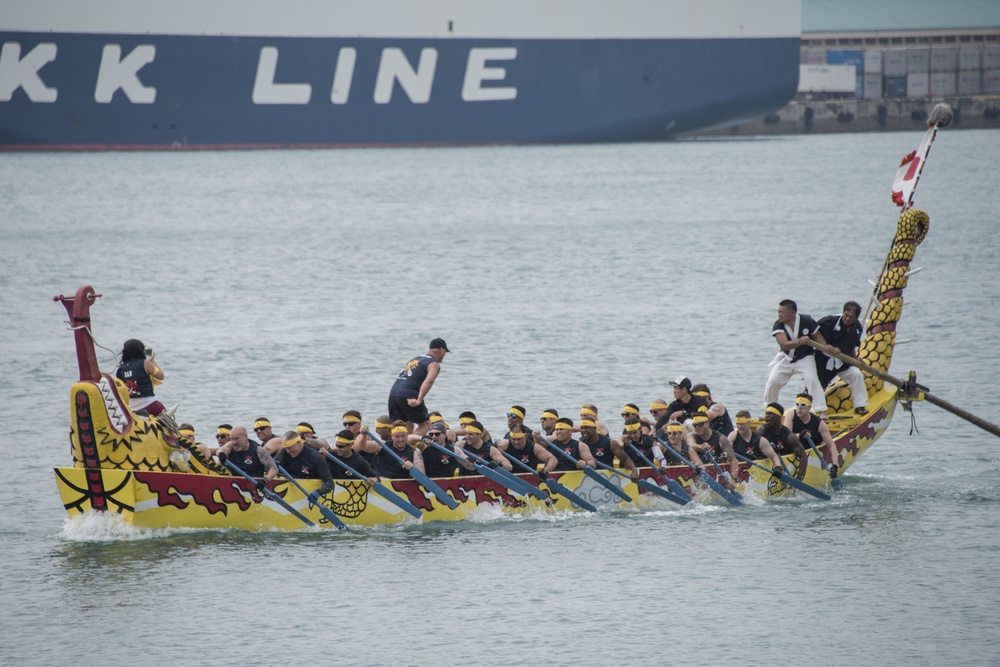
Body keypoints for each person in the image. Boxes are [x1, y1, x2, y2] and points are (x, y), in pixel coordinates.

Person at [765, 299, 829, 416]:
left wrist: (825, 348)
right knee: (773, 382)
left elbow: (817, 335)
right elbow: (784, 344)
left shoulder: (806, 320)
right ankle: (771, 410)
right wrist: (799, 341)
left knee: (811, 379)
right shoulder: (778, 324)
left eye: (782, 312)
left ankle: (821, 410)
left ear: (792, 313)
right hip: (786, 358)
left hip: (805, 357)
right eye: (778, 311)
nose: (779, 315)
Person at [815, 300, 869, 415]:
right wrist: (826, 346)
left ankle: (860, 406)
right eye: (846, 315)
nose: (848, 319)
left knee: (856, 375)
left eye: (851, 317)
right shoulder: (829, 321)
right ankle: (809, 410)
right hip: (823, 360)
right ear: (843, 312)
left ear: (856, 318)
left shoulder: (857, 328)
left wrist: (856, 358)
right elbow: (814, 333)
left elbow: (851, 345)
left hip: (842, 360)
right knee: (816, 385)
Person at [387, 338, 450, 435]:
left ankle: (398, 447)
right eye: (445, 352)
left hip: (393, 394)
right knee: (425, 425)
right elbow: (428, 381)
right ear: (442, 350)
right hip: (409, 395)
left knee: (405, 425)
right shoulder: (434, 364)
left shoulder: (416, 359)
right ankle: (405, 444)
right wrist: (419, 399)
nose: (444, 356)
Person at [783, 392, 842, 477]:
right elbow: (786, 437)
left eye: (803, 405)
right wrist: (799, 435)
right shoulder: (791, 414)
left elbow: (831, 445)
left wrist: (835, 466)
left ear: (809, 408)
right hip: (794, 449)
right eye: (797, 405)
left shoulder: (819, 423)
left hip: (811, 449)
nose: (799, 408)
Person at [273, 431, 337, 504]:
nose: (287, 452)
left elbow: (330, 483)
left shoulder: (316, 457)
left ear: (299, 443)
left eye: (290, 448)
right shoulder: (285, 451)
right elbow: (273, 464)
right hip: (290, 493)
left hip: (310, 497)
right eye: (286, 448)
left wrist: (318, 493)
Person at [757, 403, 808, 480]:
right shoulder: (761, 431)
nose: (766, 416)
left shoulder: (789, 437)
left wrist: (799, 478)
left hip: (783, 465)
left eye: (770, 414)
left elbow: (803, 456)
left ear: (778, 417)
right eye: (766, 413)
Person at [115, 339, 165, 415]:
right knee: (167, 416)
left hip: (131, 408)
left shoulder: (121, 369)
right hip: (149, 404)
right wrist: (152, 361)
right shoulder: (145, 363)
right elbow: (161, 376)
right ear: (141, 351)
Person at [360, 420, 426, 479]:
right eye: (397, 436)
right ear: (392, 436)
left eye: (403, 436)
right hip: (382, 482)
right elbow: (363, 446)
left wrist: (412, 468)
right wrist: (363, 436)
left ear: (407, 435)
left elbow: (422, 478)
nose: (400, 440)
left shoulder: (414, 453)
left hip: (401, 486)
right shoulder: (382, 445)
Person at [689, 413, 739, 479]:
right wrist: (701, 446)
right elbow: (690, 444)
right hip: (700, 471)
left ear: (707, 423)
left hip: (719, 473)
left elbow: (733, 459)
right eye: (695, 425)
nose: (697, 427)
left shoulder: (721, 439)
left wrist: (733, 479)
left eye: (700, 424)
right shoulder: (692, 436)